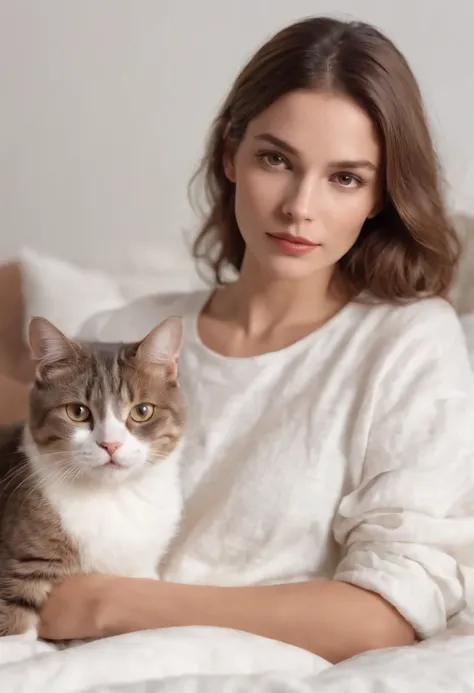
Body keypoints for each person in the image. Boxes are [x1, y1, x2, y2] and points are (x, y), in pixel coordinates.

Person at [27, 16, 474, 662]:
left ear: (379, 194)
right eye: (276, 159)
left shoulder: (406, 343)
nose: (299, 206)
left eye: (344, 177)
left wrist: (106, 604)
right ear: (230, 154)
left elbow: (389, 609)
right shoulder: (118, 339)